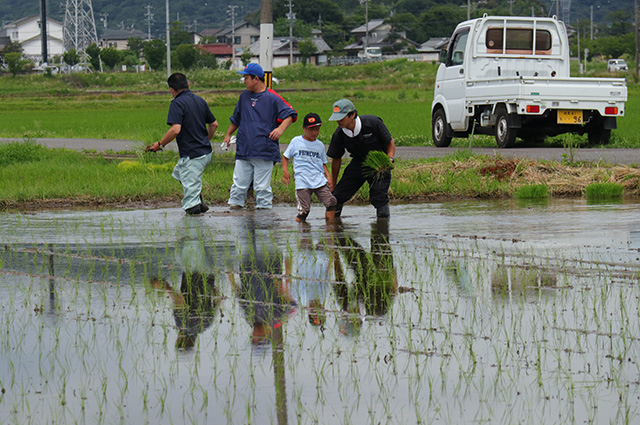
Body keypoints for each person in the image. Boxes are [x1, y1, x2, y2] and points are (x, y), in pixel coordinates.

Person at [223, 63, 297, 210]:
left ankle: (264, 219)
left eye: (246, 78)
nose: (244, 81)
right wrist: (228, 134)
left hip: (264, 150)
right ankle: (234, 213)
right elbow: (236, 119)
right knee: (238, 185)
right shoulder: (244, 96)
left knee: (262, 187)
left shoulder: (272, 97)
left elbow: (291, 114)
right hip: (244, 149)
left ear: (256, 79)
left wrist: (280, 129)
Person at [149, 72, 218, 216]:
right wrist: (206, 139)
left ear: (172, 90)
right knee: (179, 173)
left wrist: (160, 145)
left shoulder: (177, 103)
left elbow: (175, 130)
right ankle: (199, 201)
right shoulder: (199, 100)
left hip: (193, 156)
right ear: (188, 85)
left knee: (191, 207)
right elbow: (214, 124)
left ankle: (193, 231)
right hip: (205, 153)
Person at [327, 99, 396, 218]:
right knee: (338, 195)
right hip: (358, 163)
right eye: (337, 118)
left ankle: (382, 228)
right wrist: (333, 182)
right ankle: (333, 226)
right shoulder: (339, 134)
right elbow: (336, 159)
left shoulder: (373, 123)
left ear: (352, 115)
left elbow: (390, 142)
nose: (339, 121)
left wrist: (389, 158)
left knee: (379, 196)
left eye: (342, 118)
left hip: (379, 164)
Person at [282, 113, 337, 222]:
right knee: (304, 211)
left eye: (316, 130)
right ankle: (302, 235)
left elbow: (322, 163)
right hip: (303, 181)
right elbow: (285, 157)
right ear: (304, 129)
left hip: (318, 180)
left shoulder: (320, 145)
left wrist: (328, 176)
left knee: (331, 203)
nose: (314, 133)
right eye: (311, 130)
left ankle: (330, 230)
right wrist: (285, 172)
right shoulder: (296, 141)